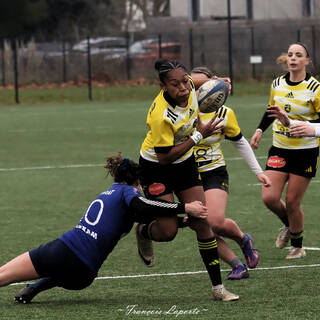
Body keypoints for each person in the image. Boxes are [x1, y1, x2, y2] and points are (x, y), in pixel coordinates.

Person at [1, 153, 220, 304]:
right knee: (55, 272)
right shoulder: (127, 194)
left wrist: (182, 212)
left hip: (65, 251)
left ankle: (34, 287)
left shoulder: (113, 194)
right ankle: (34, 288)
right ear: (136, 180)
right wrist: (185, 212)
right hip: (84, 274)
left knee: (4, 275)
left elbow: (146, 209)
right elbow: (144, 208)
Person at [190, 67, 271, 280]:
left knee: (214, 222)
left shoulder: (225, 113)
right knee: (203, 228)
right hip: (187, 176)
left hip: (214, 172)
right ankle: (237, 265)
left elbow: (240, 143)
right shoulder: (183, 110)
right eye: (196, 86)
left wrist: (258, 172)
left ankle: (244, 239)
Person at [250, 42, 320, 259]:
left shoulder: (315, 89)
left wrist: (310, 128)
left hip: (305, 152)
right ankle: (290, 226)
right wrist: (260, 129)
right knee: (269, 197)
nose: (293, 58)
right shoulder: (277, 84)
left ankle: (297, 247)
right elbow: (272, 110)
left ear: (306, 61)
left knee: (291, 202)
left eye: (298, 55)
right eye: (290, 54)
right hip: (280, 149)